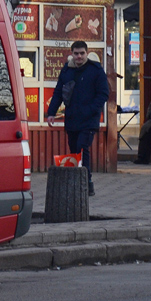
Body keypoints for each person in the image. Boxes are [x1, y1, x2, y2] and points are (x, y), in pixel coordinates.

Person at [46, 40, 110, 197]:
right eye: (76, 53)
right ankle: (76, 182)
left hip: (89, 119)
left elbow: (103, 93)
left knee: (82, 147)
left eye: (82, 53)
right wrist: (51, 112)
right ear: (72, 54)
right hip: (72, 118)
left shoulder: (95, 70)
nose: (79, 56)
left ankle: (87, 183)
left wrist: (91, 109)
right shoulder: (67, 70)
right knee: (74, 150)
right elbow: (58, 92)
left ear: (87, 53)